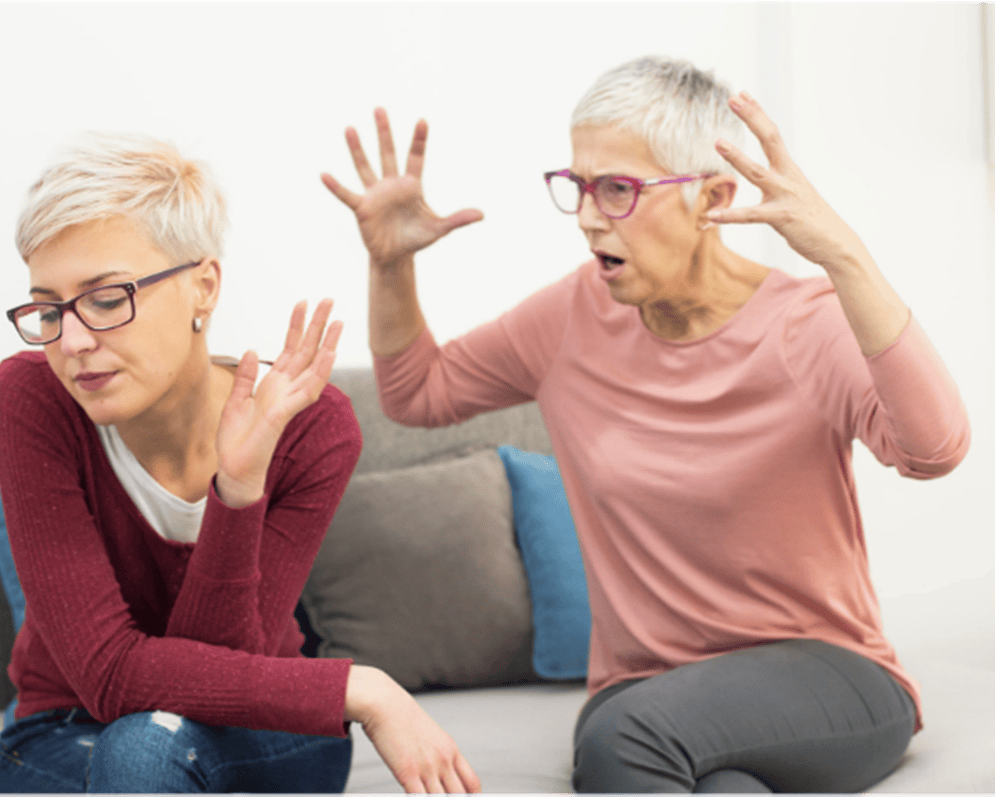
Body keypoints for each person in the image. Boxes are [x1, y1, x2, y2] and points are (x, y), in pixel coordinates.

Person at [322, 56, 970, 796]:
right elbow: (418, 396)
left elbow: (935, 450)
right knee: (703, 778)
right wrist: (390, 267)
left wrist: (844, 255)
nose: (591, 216)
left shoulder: (806, 325)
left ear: (714, 197)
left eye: (620, 189)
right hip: (645, 687)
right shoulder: (571, 318)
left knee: (625, 742)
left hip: (827, 675)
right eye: (580, 186)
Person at [0, 133, 482, 796]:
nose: (71, 341)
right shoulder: (30, 400)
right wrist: (360, 688)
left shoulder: (310, 427)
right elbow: (106, 674)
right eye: (49, 308)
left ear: (203, 286)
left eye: (107, 300)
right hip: (69, 730)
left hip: (265, 730)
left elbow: (223, 668)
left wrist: (239, 488)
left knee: (146, 747)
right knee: (139, 749)